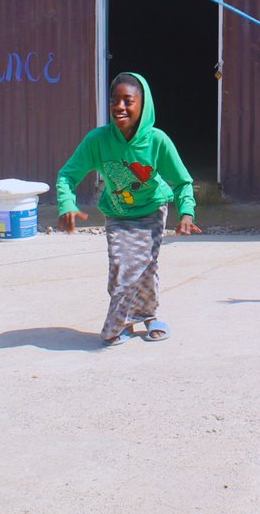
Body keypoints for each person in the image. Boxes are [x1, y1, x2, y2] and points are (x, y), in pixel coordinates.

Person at [56, 72, 199, 346]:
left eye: (127, 101)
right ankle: (124, 321)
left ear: (143, 105)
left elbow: (182, 181)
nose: (119, 107)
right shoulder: (98, 140)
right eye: (114, 101)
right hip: (117, 213)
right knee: (122, 266)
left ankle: (145, 316)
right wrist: (67, 204)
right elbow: (67, 175)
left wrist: (186, 213)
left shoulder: (157, 141)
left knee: (145, 265)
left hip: (152, 210)